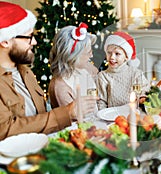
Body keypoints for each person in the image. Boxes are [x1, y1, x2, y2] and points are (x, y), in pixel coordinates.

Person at [0, 2, 98, 140]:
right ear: (5, 41)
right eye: (28, 37)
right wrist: (67, 113)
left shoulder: (25, 72)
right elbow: (5, 130)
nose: (34, 42)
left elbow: (40, 114)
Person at [48, 23, 98, 109]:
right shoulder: (60, 87)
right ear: (73, 57)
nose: (92, 55)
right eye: (88, 52)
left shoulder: (87, 67)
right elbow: (73, 119)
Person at [98, 31, 150, 109]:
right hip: (113, 117)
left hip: (134, 113)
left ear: (126, 57)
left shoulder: (136, 73)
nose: (112, 57)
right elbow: (101, 102)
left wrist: (142, 97)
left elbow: (145, 90)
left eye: (117, 54)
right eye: (109, 53)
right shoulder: (103, 76)